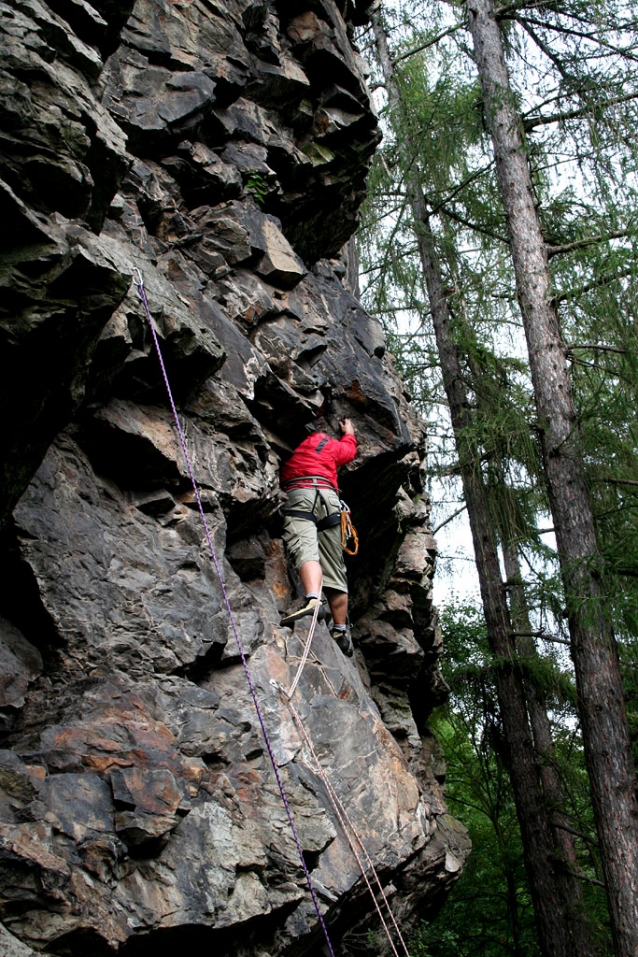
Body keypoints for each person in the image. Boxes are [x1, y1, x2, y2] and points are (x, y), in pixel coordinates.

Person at [279, 419, 357, 657]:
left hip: (300, 493)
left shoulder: (291, 442)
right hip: (330, 500)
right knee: (334, 565)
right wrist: (350, 433)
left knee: (306, 548)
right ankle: (340, 630)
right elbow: (350, 451)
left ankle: (313, 599)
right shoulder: (330, 445)